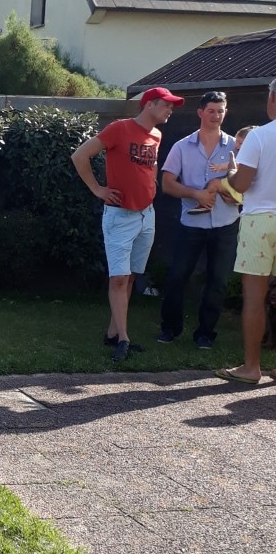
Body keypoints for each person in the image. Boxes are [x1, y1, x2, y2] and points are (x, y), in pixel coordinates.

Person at [71, 86, 184, 362]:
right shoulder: (119, 129)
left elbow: (151, 168)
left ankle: (112, 333)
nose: (170, 110)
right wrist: (98, 189)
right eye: (166, 105)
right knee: (119, 278)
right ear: (149, 105)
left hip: (147, 215)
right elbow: (79, 155)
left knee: (132, 276)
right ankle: (124, 339)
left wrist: (150, 189)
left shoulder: (156, 135)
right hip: (120, 215)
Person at [156, 90, 240, 350]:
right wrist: (196, 194)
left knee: (218, 281)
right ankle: (170, 329)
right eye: (211, 110)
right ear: (200, 113)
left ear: (225, 113)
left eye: (221, 111)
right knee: (177, 276)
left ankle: (205, 333)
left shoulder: (236, 147)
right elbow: (167, 184)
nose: (216, 115)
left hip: (225, 224)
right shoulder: (182, 146)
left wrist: (228, 192)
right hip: (191, 224)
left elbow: (247, 183)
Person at [217, 79, 276, 383]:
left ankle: (252, 367)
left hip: (259, 219)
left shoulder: (259, 137)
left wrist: (230, 170)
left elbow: (241, 185)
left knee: (255, 298)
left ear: (272, 99)